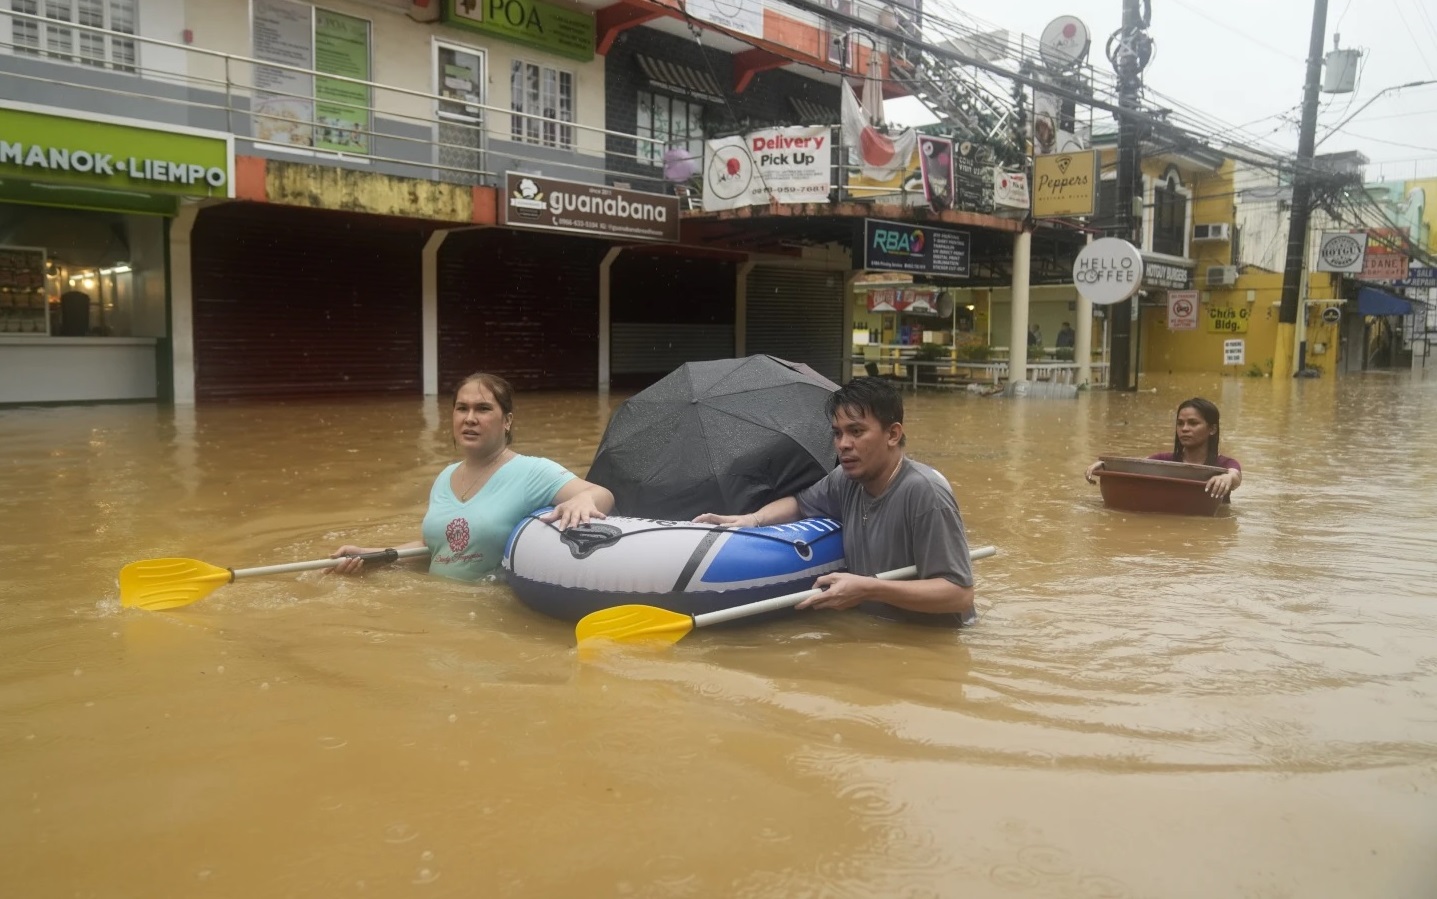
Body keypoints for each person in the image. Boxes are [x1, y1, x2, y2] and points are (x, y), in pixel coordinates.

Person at [694, 377, 975, 625]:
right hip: (876, 632)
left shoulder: (925, 493)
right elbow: (799, 504)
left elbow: (958, 594)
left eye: (856, 431)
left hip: (928, 643)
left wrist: (870, 589)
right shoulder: (846, 480)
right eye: (837, 433)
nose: (843, 444)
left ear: (892, 434)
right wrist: (751, 520)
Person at [332, 372, 614, 580]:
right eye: (462, 408)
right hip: (435, 611)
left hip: (491, 617)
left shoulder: (532, 471)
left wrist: (583, 500)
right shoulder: (445, 476)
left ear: (507, 421)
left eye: (483, 409)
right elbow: (437, 548)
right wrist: (372, 556)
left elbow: (602, 494)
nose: (470, 418)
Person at [1085, 397, 1242, 500]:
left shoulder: (1225, 464)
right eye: (1180, 423)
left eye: (1193, 423)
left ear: (1212, 429)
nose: (1185, 429)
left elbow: (1235, 477)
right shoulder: (1164, 460)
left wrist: (1227, 478)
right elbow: (1134, 467)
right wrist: (1106, 466)